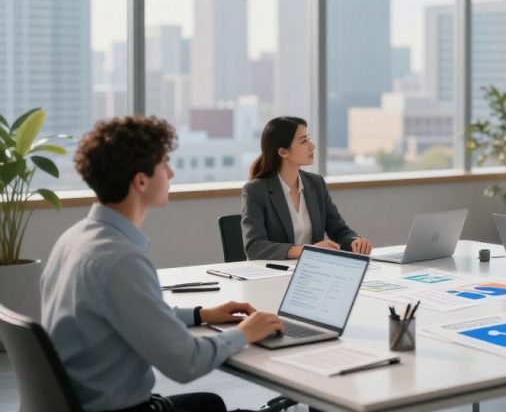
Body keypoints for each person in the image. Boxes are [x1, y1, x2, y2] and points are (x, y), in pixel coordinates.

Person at [40, 116, 285, 412]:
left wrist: (201, 313)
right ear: (140, 181)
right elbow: (187, 362)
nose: (171, 172)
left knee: (209, 404)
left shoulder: (75, 238)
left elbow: (135, 310)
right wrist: (245, 332)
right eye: (164, 164)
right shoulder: (121, 259)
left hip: (86, 403)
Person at [241, 116, 372, 260]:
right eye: (303, 141)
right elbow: (255, 247)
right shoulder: (255, 190)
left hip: (311, 271)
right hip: (274, 274)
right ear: (283, 152)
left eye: (308, 139)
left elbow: (339, 231)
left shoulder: (316, 184)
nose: (312, 146)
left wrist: (355, 241)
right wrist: (308, 250)